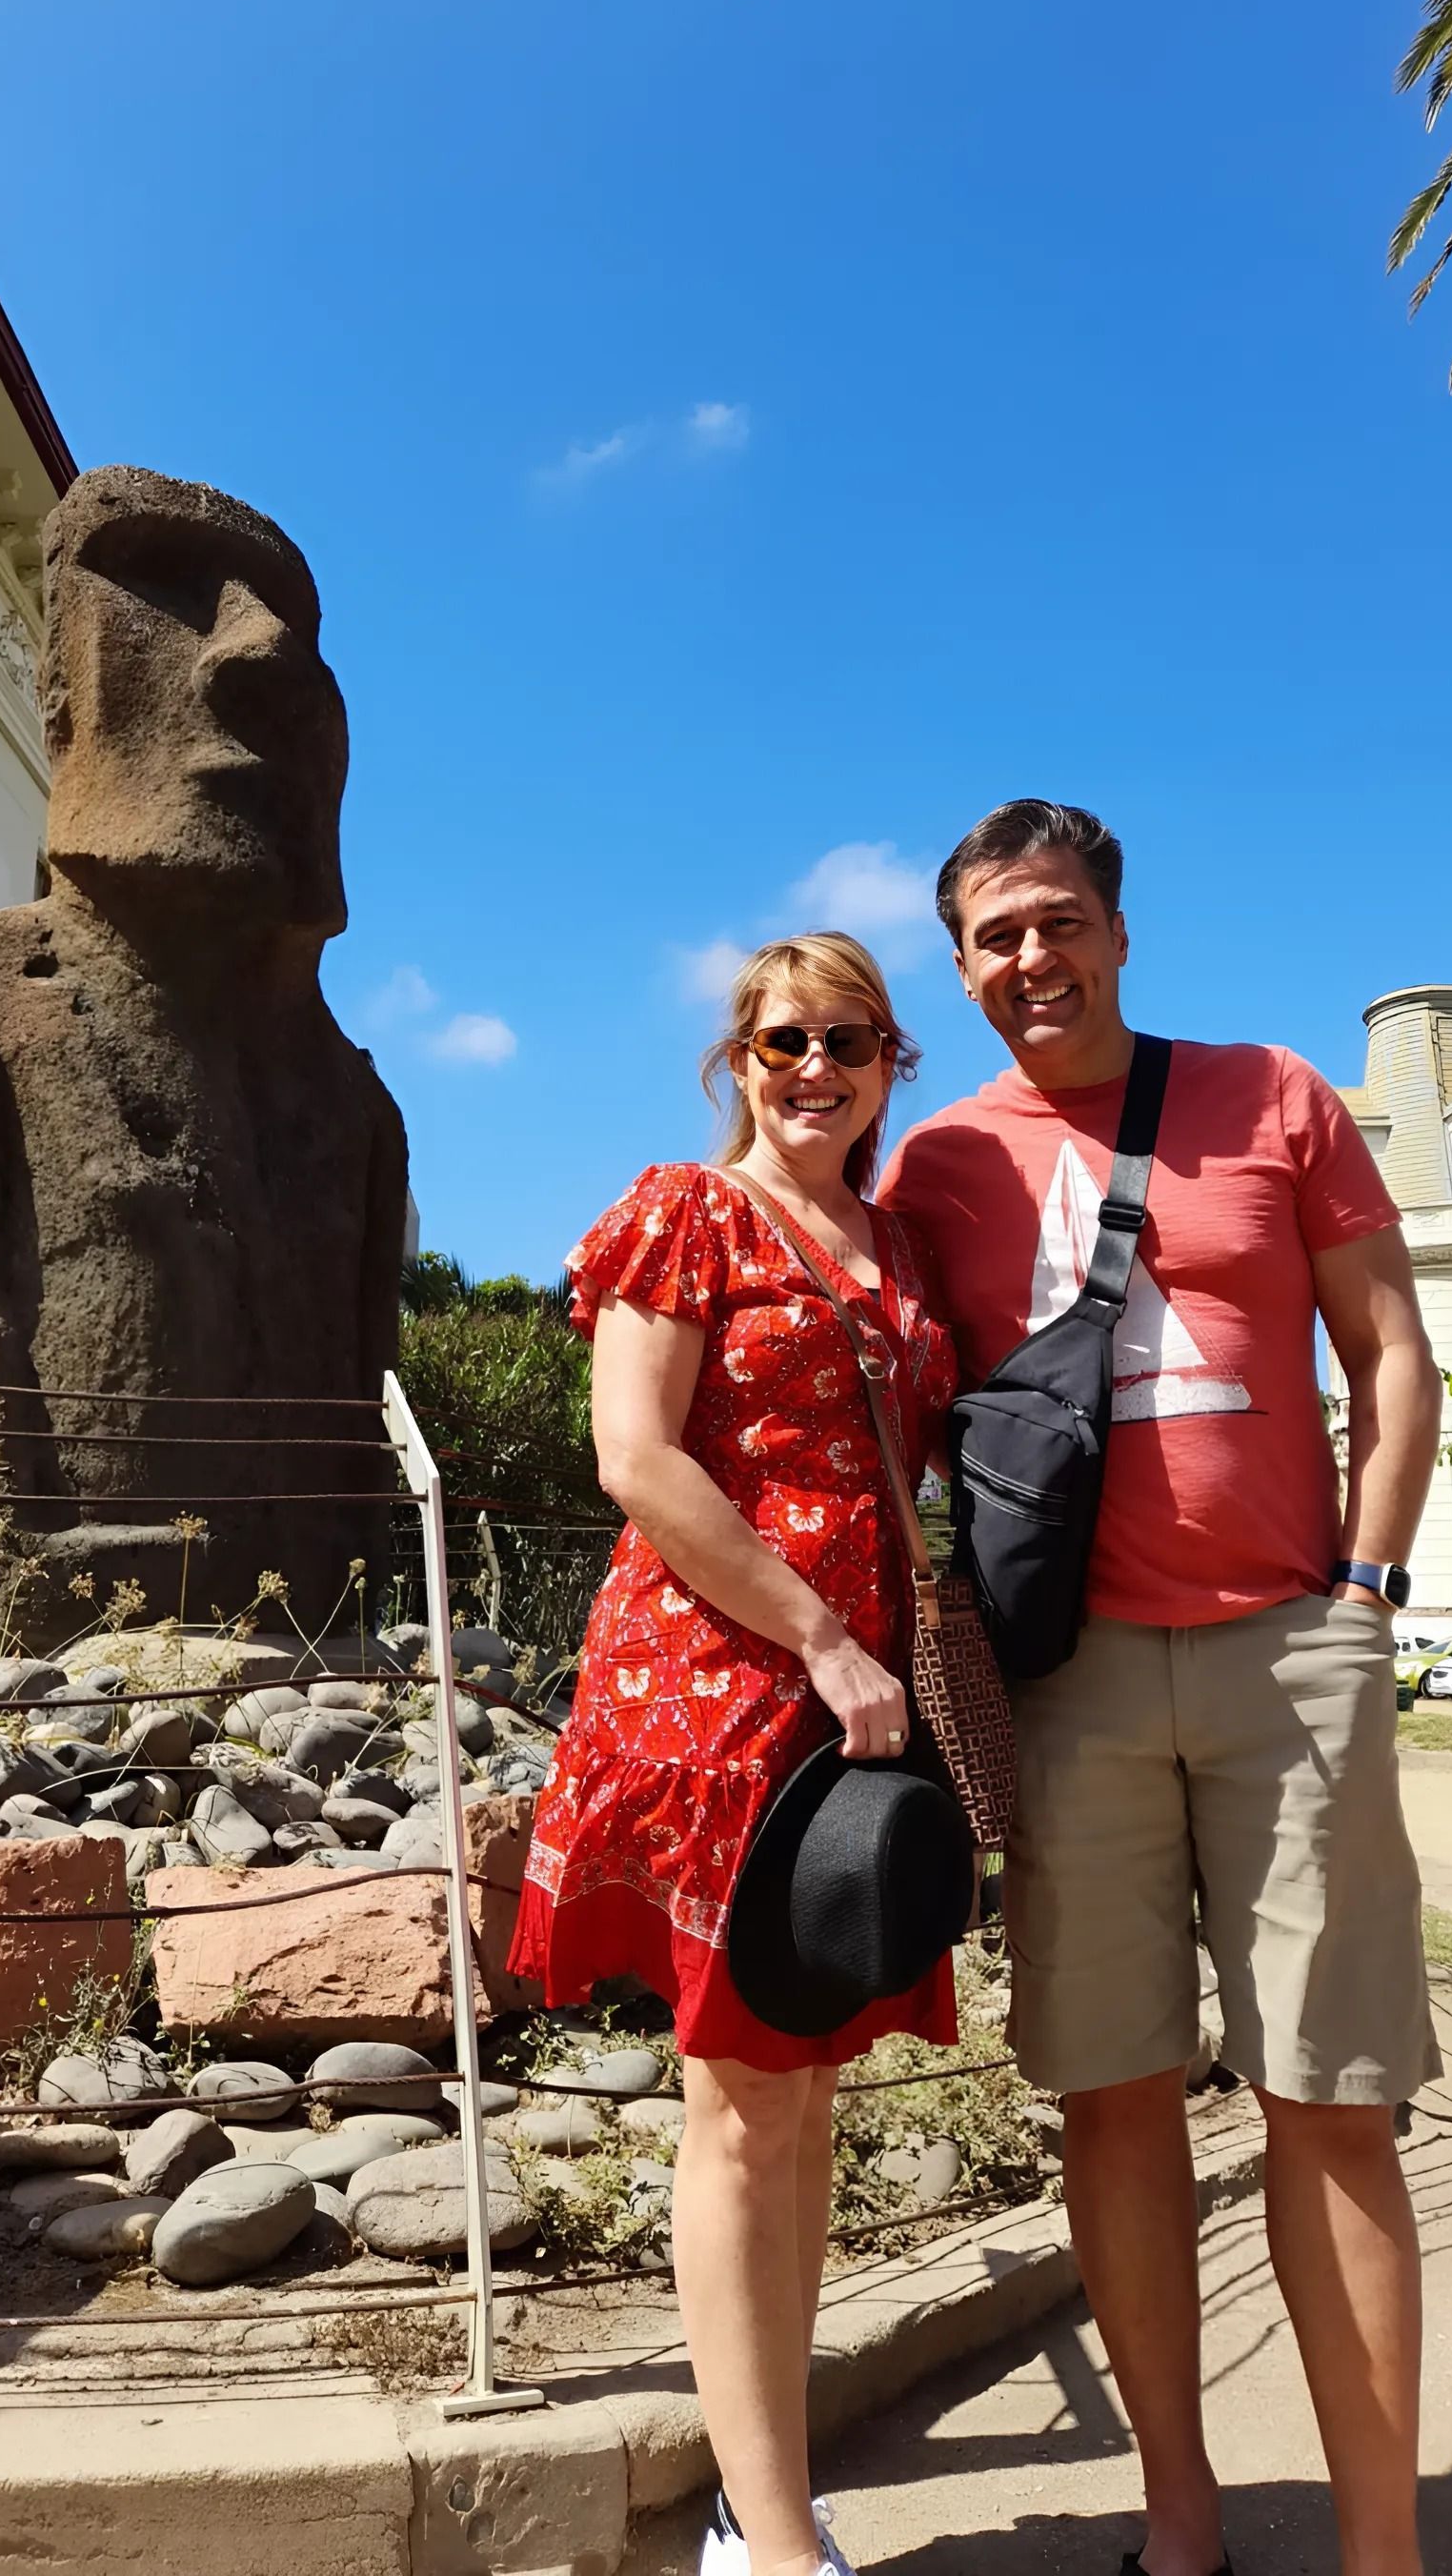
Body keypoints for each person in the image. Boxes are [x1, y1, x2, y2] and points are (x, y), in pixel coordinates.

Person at [877, 800, 1442, 2576]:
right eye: (991, 939)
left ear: (1117, 931)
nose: (1028, 962)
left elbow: (1392, 1352)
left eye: (1055, 924)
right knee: (1110, 2096)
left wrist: (1362, 1587)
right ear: (958, 966)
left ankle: (1380, 2550)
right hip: (1074, 1689)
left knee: (1332, 2101)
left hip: (1292, 1648)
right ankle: (1179, 2528)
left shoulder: (1270, 1097)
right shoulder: (939, 1169)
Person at [511, 931, 958, 2576]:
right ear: (734, 1060)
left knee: (807, 2096)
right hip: (722, 1693)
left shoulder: (897, 1244)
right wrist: (821, 1634)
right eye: (782, 1042)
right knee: (743, 2105)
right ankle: (769, 2534)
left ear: (890, 1057)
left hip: (858, 1707)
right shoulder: (681, 1211)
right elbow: (636, 1456)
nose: (814, 1068)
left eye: (847, 1038)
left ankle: (761, 2490)